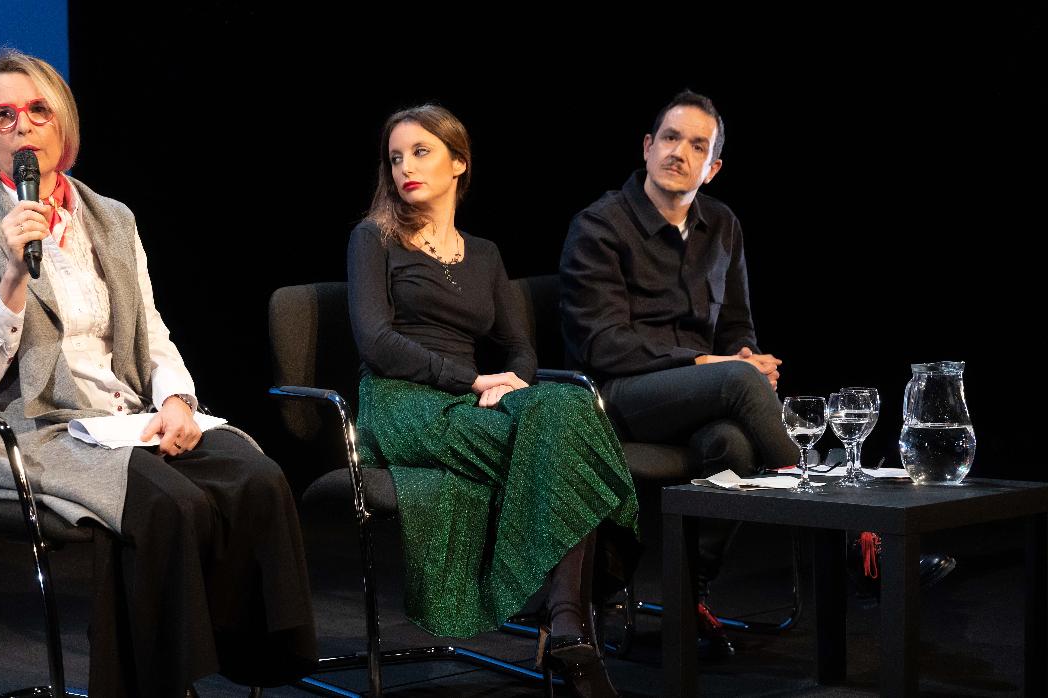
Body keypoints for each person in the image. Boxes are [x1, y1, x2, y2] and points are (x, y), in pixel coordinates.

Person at [0, 48, 315, 696]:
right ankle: (157, 684)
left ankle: (261, 669)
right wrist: (14, 274)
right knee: (169, 503)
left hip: (123, 420)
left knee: (256, 477)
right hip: (33, 433)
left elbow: (149, 332)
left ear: (62, 125)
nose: (22, 125)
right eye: (3, 114)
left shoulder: (112, 218)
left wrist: (178, 400)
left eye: (37, 110)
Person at [559, 89, 954, 656]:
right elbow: (601, 344)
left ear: (713, 167)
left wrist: (745, 357)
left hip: (705, 399)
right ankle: (855, 538)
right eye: (670, 138)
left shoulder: (722, 225)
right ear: (647, 148)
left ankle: (687, 602)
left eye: (697, 145)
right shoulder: (599, 226)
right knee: (737, 382)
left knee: (731, 445)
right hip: (614, 397)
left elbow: (737, 327)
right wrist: (717, 366)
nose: (679, 153)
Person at [347, 104, 638, 698]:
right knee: (568, 434)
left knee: (561, 409)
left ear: (459, 163)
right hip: (403, 403)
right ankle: (574, 618)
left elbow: (518, 347)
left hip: (472, 399)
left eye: (421, 152)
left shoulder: (485, 254)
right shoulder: (373, 238)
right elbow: (376, 342)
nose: (405, 166)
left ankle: (565, 625)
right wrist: (473, 381)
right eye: (395, 156)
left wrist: (511, 383)